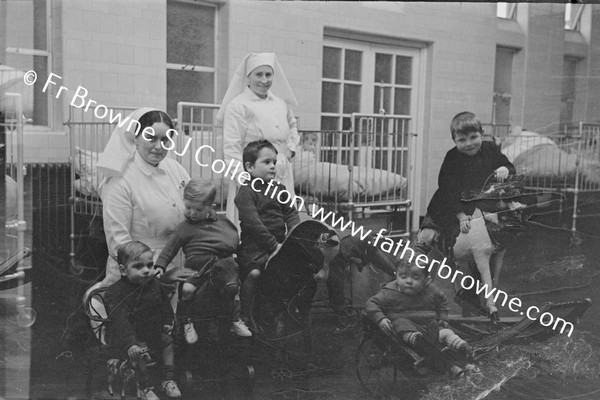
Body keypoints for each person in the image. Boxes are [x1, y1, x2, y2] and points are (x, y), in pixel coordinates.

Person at [95, 108, 192, 288]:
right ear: (135, 137)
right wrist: (154, 273)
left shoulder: (176, 169)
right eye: (151, 138)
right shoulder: (120, 180)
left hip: (177, 265)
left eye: (165, 140)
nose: (159, 146)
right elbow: (118, 242)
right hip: (138, 274)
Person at [155, 178, 252, 343]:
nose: (192, 213)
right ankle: (187, 322)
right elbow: (170, 249)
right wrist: (160, 266)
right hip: (196, 270)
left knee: (232, 287)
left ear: (210, 206)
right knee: (187, 289)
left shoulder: (222, 223)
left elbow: (233, 239)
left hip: (221, 267)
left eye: (198, 209)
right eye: (188, 208)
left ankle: (235, 319)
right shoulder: (185, 228)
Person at [218, 52, 300, 228]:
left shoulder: (280, 103)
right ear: (248, 78)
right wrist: (246, 181)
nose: (264, 80)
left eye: (268, 74)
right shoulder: (238, 106)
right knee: (257, 226)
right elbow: (231, 147)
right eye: (258, 74)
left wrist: (290, 149)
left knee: (285, 220)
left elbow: (293, 126)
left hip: (281, 173)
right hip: (253, 177)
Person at [365, 250, 474, 377]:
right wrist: (381, 318)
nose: (409, 281)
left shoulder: (429, 289)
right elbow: (371, 303)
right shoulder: (389, 291)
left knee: (446, 332)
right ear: (396, 275)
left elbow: (442, 300)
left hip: (428, 329)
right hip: (407, 331)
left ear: (426, 280)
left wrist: (443, 317)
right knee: (401, 323)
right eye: (403, 276)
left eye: (416, 277)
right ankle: (445, 362)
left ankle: (466, 349)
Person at [418, 111, 516, 249]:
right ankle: (415, 261)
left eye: (473, 137)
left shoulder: (490, 149)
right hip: (448, 204)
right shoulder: (452, 157)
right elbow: (446, 189)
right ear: (454, 140)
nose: (469, 143)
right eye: (462, 140)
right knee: (427, 238)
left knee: (482, 240)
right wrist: (460, 215)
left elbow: (510, 168)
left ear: (482, 134)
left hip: (475, 204)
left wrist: (505, 169)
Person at [235, 140, 300, 330]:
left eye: (274, 161)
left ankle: (279, 312)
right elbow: (253, 224)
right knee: (255, 274)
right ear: (250, 166)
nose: (272, 166)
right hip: (255, 247)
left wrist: (293, 236)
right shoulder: (246, 192)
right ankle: (245, 315)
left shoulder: (279, 189)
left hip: (280, 244)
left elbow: (291, 213)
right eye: (266, 162)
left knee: (290, 272)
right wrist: (274, 246)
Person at [104, 241, 182, 399]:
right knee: (140, 350)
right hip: (128, 338)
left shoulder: (155, 285)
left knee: (167, 341)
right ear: (123, 270)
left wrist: (167, 321)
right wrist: (130, 343)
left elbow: (164, 306)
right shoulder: (116, 292)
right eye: (138, 267)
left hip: (151, 333)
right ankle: (144, 386)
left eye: (150, 265)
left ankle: (168, 379)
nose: (147, 270)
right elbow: (120, 322)